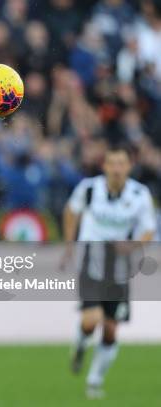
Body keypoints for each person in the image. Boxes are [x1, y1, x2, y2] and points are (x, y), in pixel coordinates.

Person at [63, 144, 156, 399]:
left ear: (129, 166)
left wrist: (135, 245)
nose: (116, 169)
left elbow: (148, 228)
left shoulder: (139, 194)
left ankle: (95, 379)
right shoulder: (90, 189)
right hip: (91, 262)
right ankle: (80, 346)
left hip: (120, 268)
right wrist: (70, 244)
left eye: (121, 163)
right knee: (91, 321)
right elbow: (71, 211)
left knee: (111, 329)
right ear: (104, 166)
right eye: (112, 163)